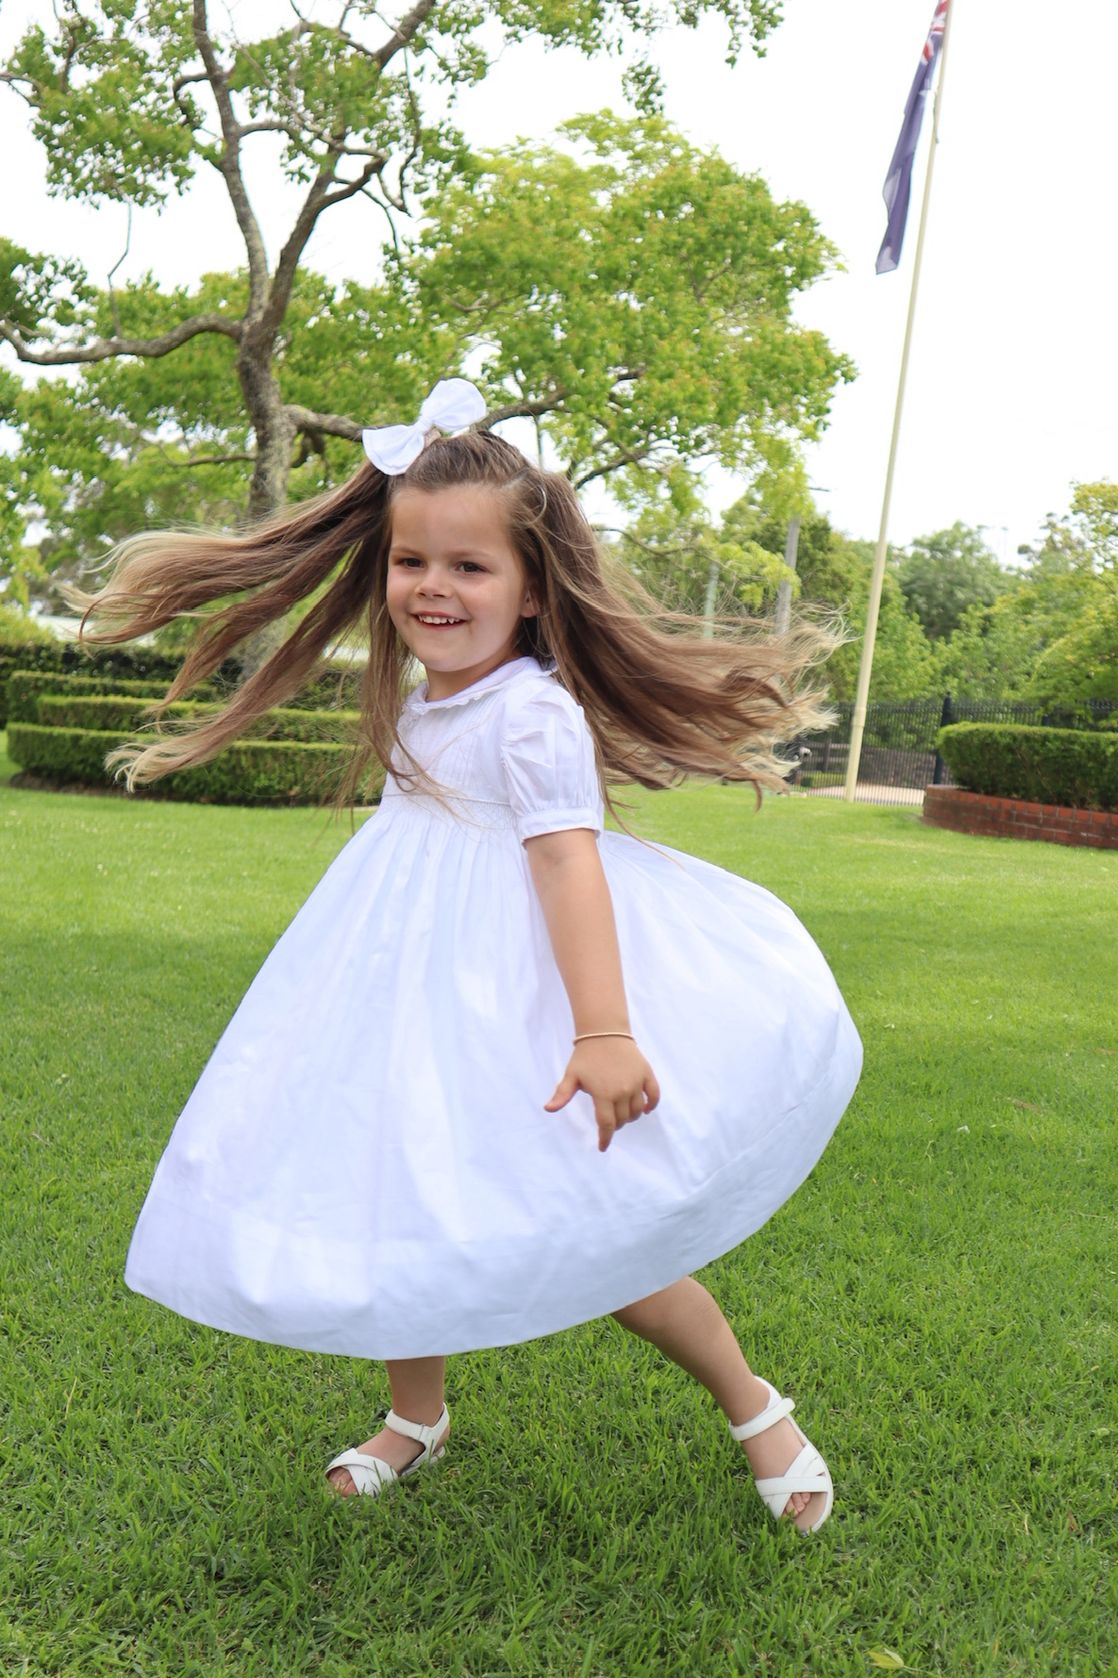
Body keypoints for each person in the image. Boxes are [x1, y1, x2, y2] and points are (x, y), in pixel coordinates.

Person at [76, 377, 863, 1534]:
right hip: (403, 984)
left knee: (601, 1227)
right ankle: (418, 1416)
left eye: (468, 568)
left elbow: (565, 865)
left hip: (521, 998)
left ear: (533, 589)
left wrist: (602, 1030)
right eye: (411, 564)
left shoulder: (531, 713)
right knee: (399, 1191)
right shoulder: (425, 692)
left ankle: (758, 1411)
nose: (432, 589)